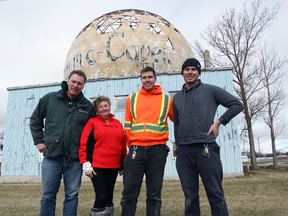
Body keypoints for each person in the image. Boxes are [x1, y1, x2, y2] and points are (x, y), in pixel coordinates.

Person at [173, 58, 243, 216]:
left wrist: (219, 122)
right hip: (184, 152)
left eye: (193, 69)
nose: (190, 72)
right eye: (187, 69)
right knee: (190, 197)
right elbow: (176, 124)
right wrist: (179, 146)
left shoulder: (211, 90)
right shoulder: (176, 98)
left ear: (199, 72)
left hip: (206, 149)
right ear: (182, 73)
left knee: (215, 194)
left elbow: (237, 104)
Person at [30, 70, 95, 216]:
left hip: (74, 159)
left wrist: (88, 158)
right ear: (68, 80)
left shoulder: (87, 107)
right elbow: (35, 120)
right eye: (73, 82)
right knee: (48, 196)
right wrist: (39, 141)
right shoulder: (49, 99)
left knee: (72, 196)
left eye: (79, 83)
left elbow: (92, 134)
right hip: (52, 157)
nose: (75, 85)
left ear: (83, 86)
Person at [121, 66, 174, 216]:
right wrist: (132, 145)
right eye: (144, 78)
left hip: (157, 150)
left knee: (154, 194)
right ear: (141, 80)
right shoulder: (132, 98)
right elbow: (127, 124)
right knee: (129, 193)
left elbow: (178, 119)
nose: (147, 80)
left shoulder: (166, 99)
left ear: (155, 79)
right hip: (136, 150)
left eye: (150, 77)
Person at [79, 96, 127, 216]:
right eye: (100, 106)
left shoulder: (118, 123)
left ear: (110, 107)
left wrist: (123, 164)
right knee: (101, 196)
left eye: (106, 105)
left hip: (114, 166)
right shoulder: (92, 123)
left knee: (109, 196)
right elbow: (84, 143)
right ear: (97, 110)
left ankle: (108, 213)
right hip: (97, 166)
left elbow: (122, 145)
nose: (104, 108)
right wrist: (85, 163)